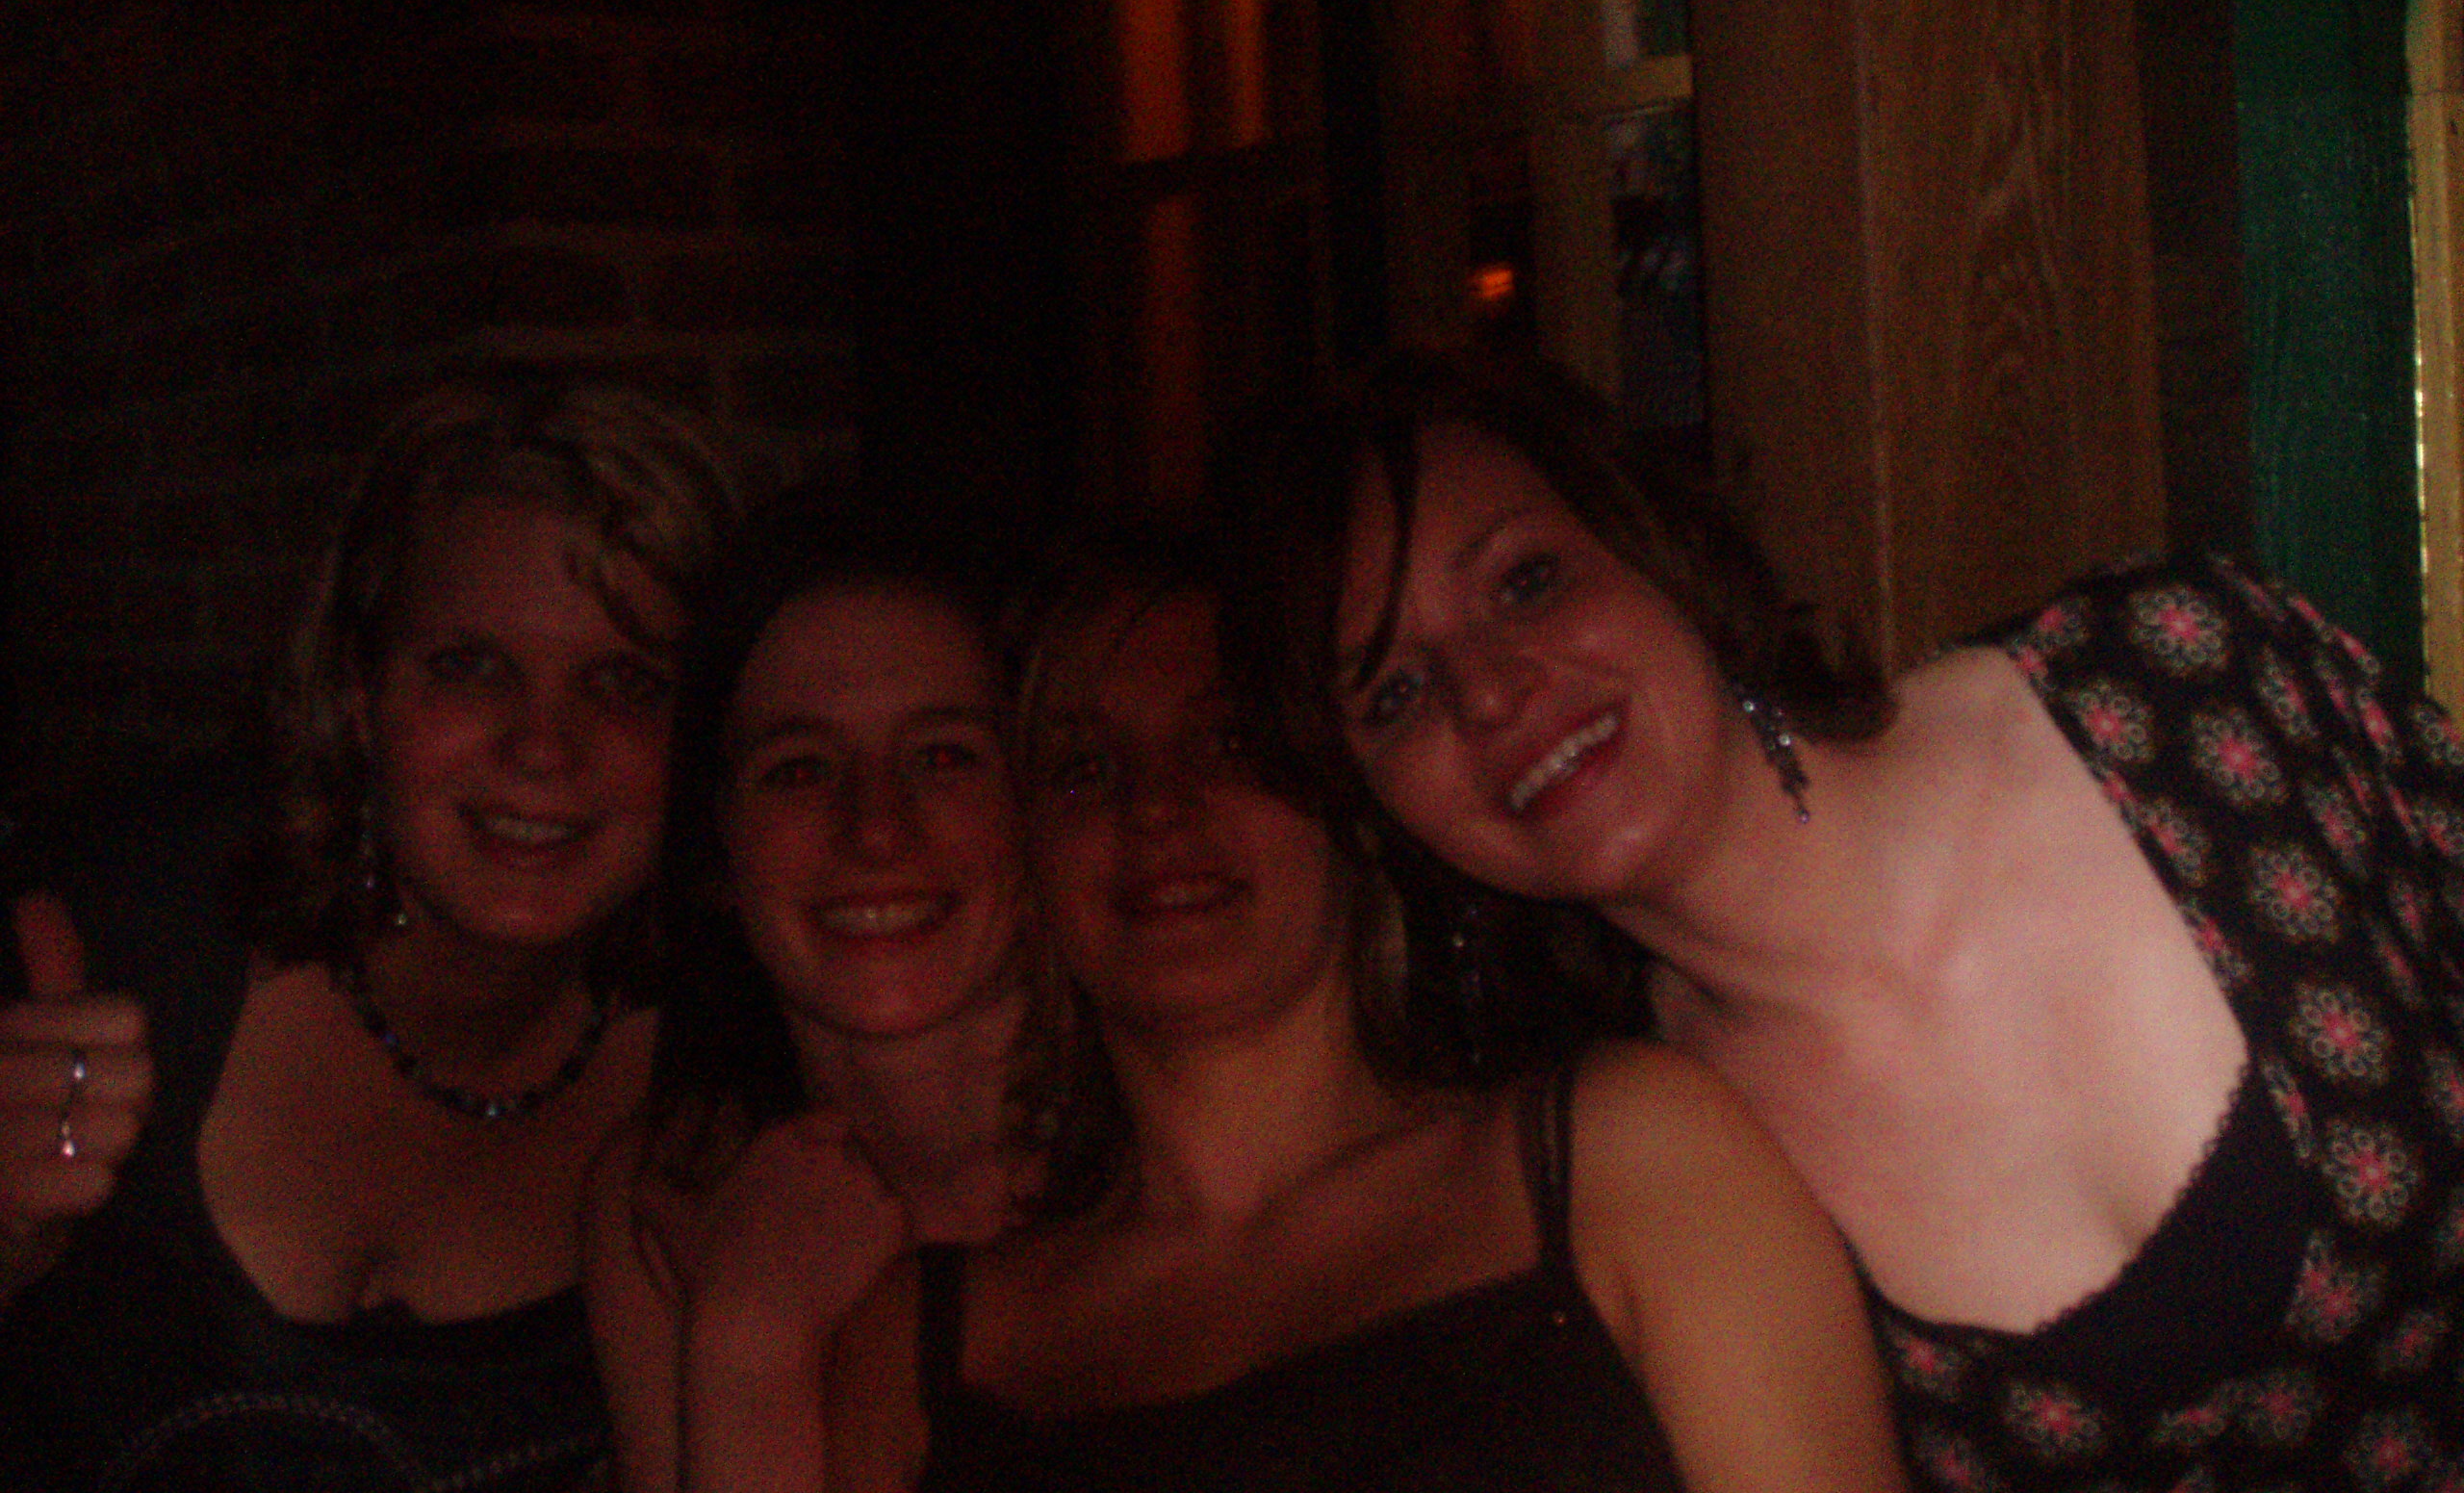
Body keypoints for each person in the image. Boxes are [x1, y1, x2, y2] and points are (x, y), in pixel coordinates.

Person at [1234, 344, 2464, 1491]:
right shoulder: (1660, 1173)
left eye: (1527, 582)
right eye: (1394, 693)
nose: (1491, 693)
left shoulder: (2173, 671)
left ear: (1653, 547)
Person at [823, 533, 1903, 1493]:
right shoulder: (920, 1347)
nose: (1156, 808)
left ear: (1351, 809)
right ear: (1025, 853)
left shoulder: (1621, 1161)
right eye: (1084, 767)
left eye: (1229, 744)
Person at [0, 373, 751, 1491]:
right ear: (358, 695)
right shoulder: (109, 940)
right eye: (469, 667)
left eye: (625, 682)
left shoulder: (744, 1054)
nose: (543, 746)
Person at [584, 492, 1038, 1493]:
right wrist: (746, 1330)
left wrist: (749, 1339)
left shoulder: (1170, 1159)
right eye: (799, 771)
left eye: (943, 757)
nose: (875, 828)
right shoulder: (673, 1193)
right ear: (715, 844)